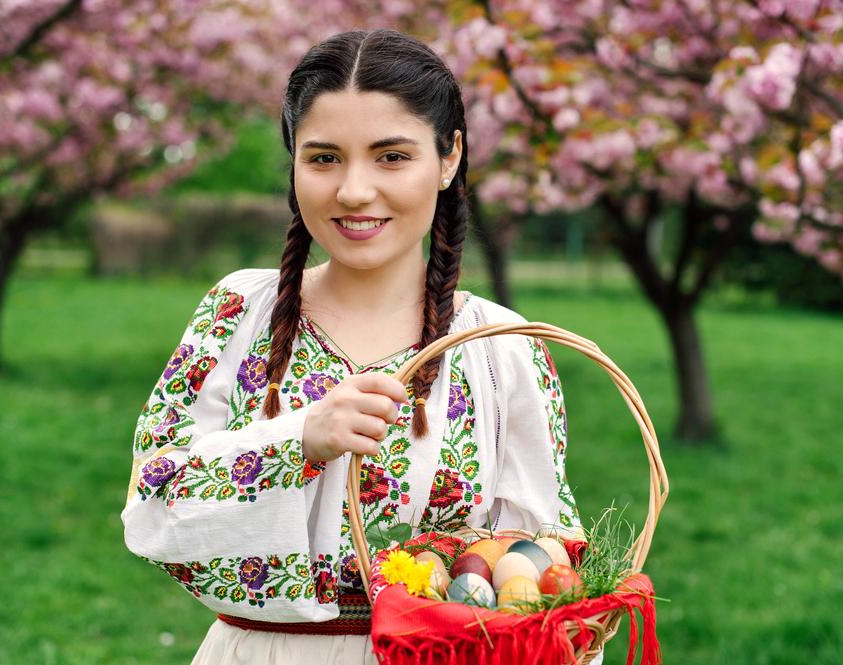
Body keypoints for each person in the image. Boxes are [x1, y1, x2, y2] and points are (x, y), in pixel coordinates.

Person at [121, 28, 601, 665]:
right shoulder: (239, 314)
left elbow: (542, 561)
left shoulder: (501, 351)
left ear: (449, 158)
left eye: (391, 156)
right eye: (323, 158)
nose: (352, 190)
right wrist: (298, 440)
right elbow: (153, 509)